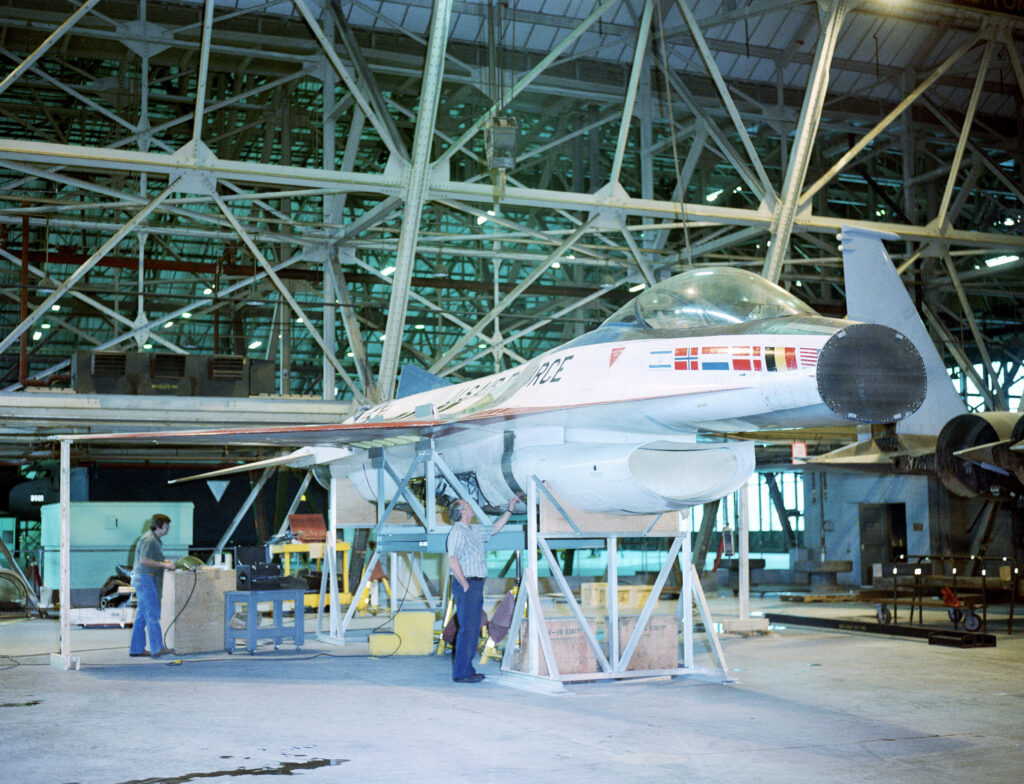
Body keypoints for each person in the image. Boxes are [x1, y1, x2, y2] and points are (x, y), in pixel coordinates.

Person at [446, 495, 518, 683]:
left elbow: (494, 528)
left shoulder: (473, 530)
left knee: (471, 628)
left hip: (475, 584)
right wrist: (465, 584)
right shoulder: (457, 532)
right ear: (462, 512)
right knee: (468, 629)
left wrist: (509, 509)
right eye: (467, 505)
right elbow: (453, 560)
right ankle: (462, 673)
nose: (471, 507)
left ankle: (466, 669)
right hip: (468, 584)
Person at [129, 514, 176, 658]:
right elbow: (144, 560)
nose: (168, 529)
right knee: (153, 614)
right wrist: (164, 565)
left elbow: (150, 558)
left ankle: (136, 649)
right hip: (145, 579)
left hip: (142, 579)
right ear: (159, 526)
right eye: (166, 526)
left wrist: (164, 561)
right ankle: (157, 648)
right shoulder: (149, 539)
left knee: (141, 617)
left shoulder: (153, 539)